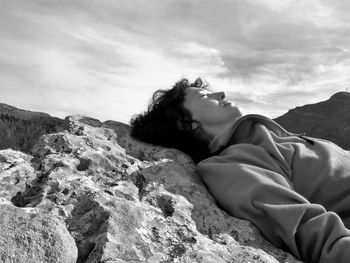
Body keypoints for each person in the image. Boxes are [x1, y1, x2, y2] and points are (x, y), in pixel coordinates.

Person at [130, 77, 350, 263]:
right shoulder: (232, 165)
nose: (222, 94)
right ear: (187, 124)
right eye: (205, 96)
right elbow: (310, 231)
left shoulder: (267, 138)